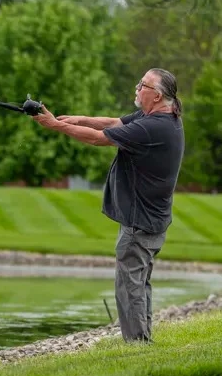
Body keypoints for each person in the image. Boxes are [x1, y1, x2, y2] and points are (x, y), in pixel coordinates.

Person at [31, 68, 185, 342]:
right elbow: (114, 123)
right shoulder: (159, 117)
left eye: (143, 85)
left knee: (129, 286)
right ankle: (142, 340)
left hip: (140, 223)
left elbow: (99, 138)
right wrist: (78, 118)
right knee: (137, 283)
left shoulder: (153, 128)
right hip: (150, 220)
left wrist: (56, 125)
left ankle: (137, 344)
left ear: (157, 95)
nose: (137, 88)